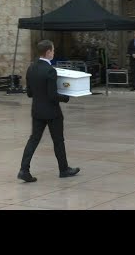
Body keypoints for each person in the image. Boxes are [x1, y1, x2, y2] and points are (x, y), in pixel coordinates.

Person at [18, 39, 80, 182]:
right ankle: (63, 169)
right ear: (48, 52)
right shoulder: (50, 70)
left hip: (37, 111)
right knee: (58, 141)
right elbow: (53, 96)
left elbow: (29, 93)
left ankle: (23, 169)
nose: (54, 52)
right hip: (52, 112)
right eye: (52, 50)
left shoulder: (31, 68)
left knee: (33, 140)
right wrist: (66, 97)